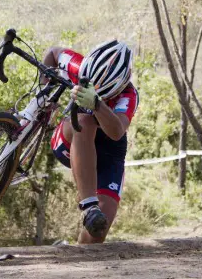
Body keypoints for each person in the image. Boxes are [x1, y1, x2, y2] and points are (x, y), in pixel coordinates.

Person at [44, 40, 138, 243]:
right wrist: (45, 94)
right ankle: (88, 205)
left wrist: (97, 104)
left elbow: (117, 131)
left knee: (97, 232)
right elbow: (52, 53)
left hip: (108, 152)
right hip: (74, 137)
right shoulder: (77, 66)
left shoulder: (129, 94)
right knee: (85, 121)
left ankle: (75, 256)